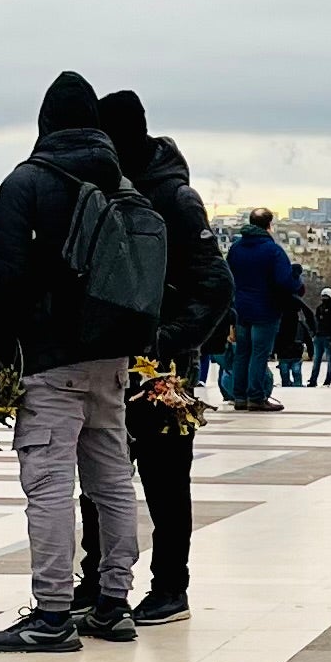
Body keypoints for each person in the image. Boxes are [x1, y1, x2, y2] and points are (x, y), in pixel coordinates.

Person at [0, 73, 158, 653]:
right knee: (113, 482)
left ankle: (52, 613)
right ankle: (114, 603)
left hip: (51, 360)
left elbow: (1, 276)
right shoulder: (122, 183)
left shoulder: (28, 182)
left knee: (50, 484)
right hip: (112, 357)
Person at [78, 91, 234, 623]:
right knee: (100, 479)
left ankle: (170, 586)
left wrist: (165, 340)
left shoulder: (174, 198)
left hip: (163, 371)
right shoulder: (102, 189)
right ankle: (98, 579)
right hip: (108, 361)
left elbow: (214, 284)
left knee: (165, 482)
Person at [223, 211, 301, 412]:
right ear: (269, 225)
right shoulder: (272, 250)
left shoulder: (236, 248)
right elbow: (284, 281)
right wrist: (296, 278)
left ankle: (239, 396)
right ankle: (256, 397)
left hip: (241, 308)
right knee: (259, 353)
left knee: (242, 353)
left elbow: (227, 275)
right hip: (265, 309)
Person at [309, 282, 331, 386]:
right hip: (321, 336)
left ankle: (322, 380)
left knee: (323, 360)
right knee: (319, 360)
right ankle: (315, 380)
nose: (324, 299)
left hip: (326, 337)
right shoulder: (321, 309)